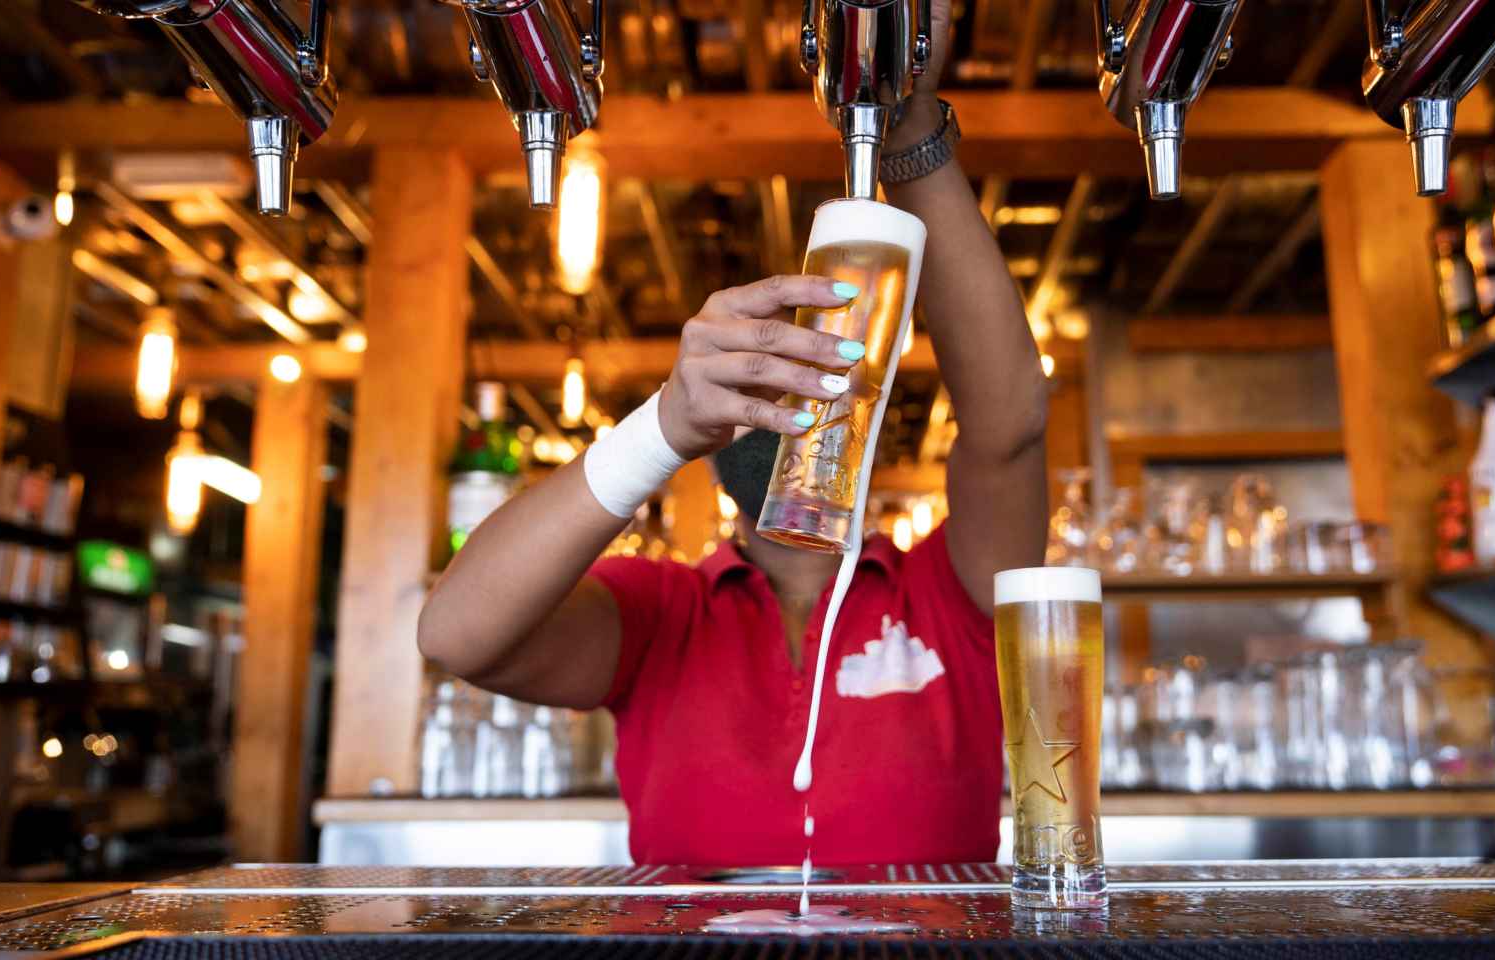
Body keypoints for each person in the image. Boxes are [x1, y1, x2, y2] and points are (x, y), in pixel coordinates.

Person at [418, 0, 1048, 865]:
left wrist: (907, 128)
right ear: (711, 433)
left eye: (819, 375)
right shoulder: (659, 612)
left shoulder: (947, 595)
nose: (785, 394)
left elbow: (1008, 429)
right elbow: (454, 636)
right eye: (751, 375)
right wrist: (659, 428)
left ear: (862, 415)